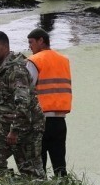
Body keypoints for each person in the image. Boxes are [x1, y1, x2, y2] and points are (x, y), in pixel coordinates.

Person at [0, 30, 45, 179]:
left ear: (5, 47)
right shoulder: (2, 68)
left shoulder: (16, 70)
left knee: (30, 171)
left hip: (26, 126)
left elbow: (23, 103)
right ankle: (7, 184)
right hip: (9, 126)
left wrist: (15, 130)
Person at [25, 28, 73, 177]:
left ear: (41, 41)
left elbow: (26, 89)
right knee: (59, 162)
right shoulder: (63, 60)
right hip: (60, 120)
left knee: (40, 163)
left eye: (31, 42)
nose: (30, 47)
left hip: (41, 119)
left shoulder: (34, 60)